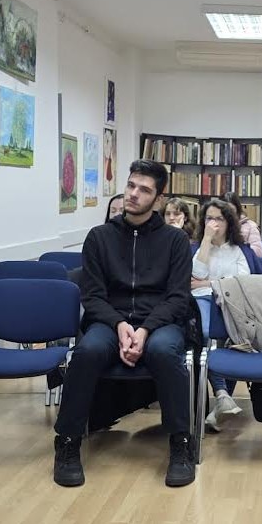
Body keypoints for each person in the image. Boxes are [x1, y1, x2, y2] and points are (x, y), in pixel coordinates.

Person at [53, 160, 195, 488]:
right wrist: (119, 325)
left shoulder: (175, 241)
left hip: (160, 323)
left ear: (158, 199)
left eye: (144, 190)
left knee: (163, 351)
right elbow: (92, 295)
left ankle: (180, 442)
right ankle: (68, 441)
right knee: (88, 351)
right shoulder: (99, 237)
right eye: (131, 185)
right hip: (109, 321)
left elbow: (177, 298)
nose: (133, 194)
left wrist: (144, 329)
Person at [191, 199, 250, 431]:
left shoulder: (237, 251)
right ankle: (222, 394)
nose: (213, 223)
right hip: (204, 301)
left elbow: (241, 283)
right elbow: (196, 275)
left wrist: (209, 283)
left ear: (229, 223)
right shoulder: (201, 248)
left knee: (234, 342)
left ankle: (222, 402)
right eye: (209, 218)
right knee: (207, 335)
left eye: (219, 219)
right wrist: (206, 240)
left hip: (230, 303)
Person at [222, 191, 262, 258]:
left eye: (231, 210)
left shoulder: (251, 226)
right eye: (225, 210)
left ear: (237, 209)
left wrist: (234, 253)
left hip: (242, 262)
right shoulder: (216, 226)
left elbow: (258, 252)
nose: (228, 213)